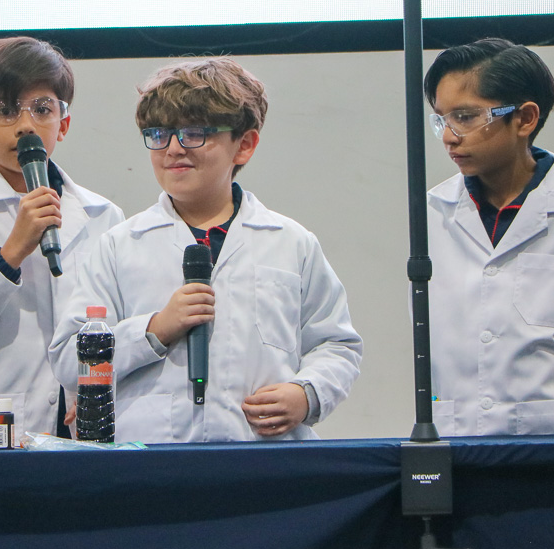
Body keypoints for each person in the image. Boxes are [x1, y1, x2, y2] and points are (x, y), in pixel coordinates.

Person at [49, 57, 362, 442]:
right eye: (159, 134)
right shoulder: (120, 246)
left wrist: (307, 394)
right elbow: (68, 359)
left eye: (194, 133)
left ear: (243, 145)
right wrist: (154, 329)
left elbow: (337, 344)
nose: (173, 149)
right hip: (152, 457)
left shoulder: (290, 243)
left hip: (264, 455)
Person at [423, 37, 554, 436]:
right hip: (457, 435)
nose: (449, 136)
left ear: (525, 119)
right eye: (441, 119)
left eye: (466, 117)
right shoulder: (434, 215)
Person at [0, 36, 124, 441]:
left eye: (42, 109)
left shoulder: (104, 216)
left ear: (63, 124)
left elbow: (119, 326)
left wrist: (103, 383)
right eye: (7, 110)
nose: (26, 124)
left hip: (84, 425)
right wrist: (10, 252)